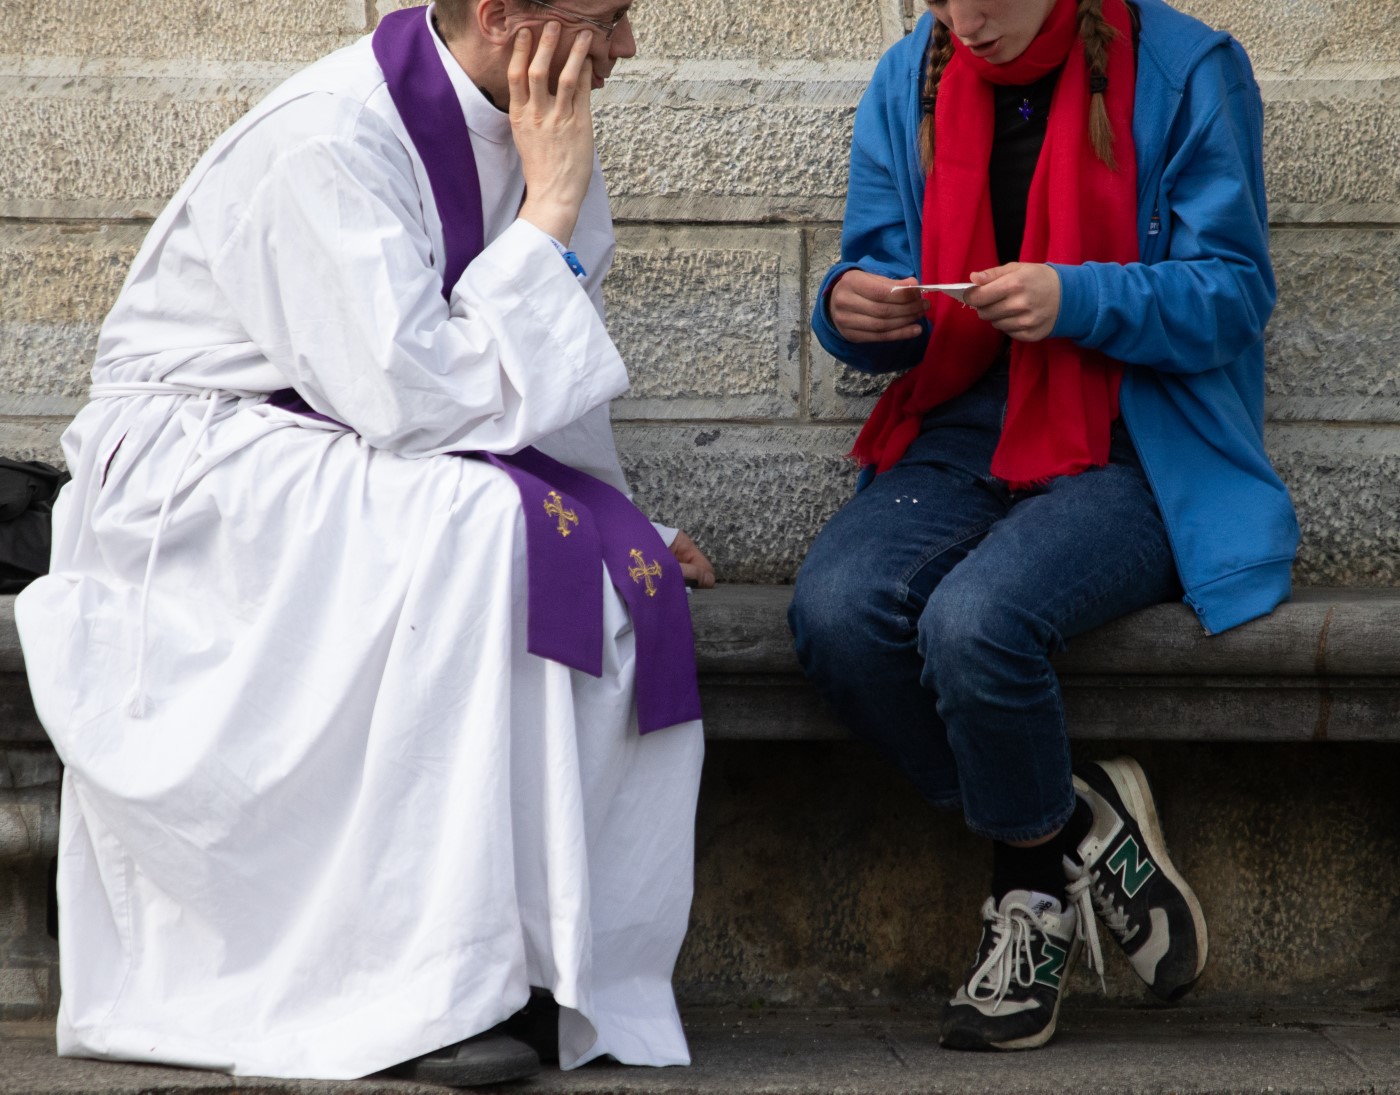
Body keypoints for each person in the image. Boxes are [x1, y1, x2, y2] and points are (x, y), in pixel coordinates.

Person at [16, 0, 715, 1086]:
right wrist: (551, 210)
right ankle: (415, 987)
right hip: (204, 459)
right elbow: (418, 398)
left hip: (360, 437)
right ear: (500, 17)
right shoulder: (328, 137)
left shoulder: (533, 125)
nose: (627, 46)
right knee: (479, 532)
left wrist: (617, 522)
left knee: (576, 563)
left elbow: (544, 379)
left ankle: (536, 966)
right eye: (609, 18)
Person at [789, 0, 1297, 1052]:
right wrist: (848, 305)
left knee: (974, 625)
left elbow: (1233, 293)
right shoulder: (909, 75)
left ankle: (1026, 899)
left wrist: (1077, 298)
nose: (964, 18)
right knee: (836, 613)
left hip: (1132, 444)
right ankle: (1073, 824)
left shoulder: (1189, 69)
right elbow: (874, 262)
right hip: (958, 430)